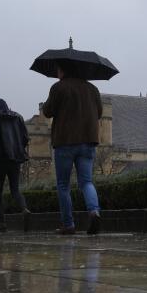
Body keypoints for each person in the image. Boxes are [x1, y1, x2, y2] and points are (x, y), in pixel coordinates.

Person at [42, 63, 104, 235]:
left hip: (65, 141)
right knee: (86, 182)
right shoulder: (92, 89)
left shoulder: (58, 87)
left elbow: (47, 111)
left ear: (63, 70)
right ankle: (94, 212)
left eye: (58, 69)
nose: (57, 72)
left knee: (63, 185)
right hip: (88, 141)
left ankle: (68, 224)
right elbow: (99, 112)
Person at [0, 98, 32, 232]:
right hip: (15, 159)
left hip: (0, 160)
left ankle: (2, 223)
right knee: (15, 189)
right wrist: (17, 150)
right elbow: (25, 138)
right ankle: (24, 209)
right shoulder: (17, 117)